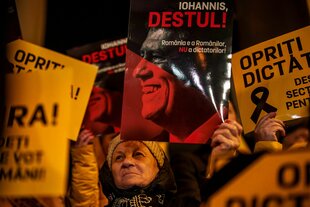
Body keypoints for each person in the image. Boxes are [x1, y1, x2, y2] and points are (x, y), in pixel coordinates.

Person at [131, 27, 230, 144]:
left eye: (157, 56)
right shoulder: (152, 149)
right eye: (142, 55)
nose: (137, 72)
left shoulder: (241, 132)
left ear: (202, 61)